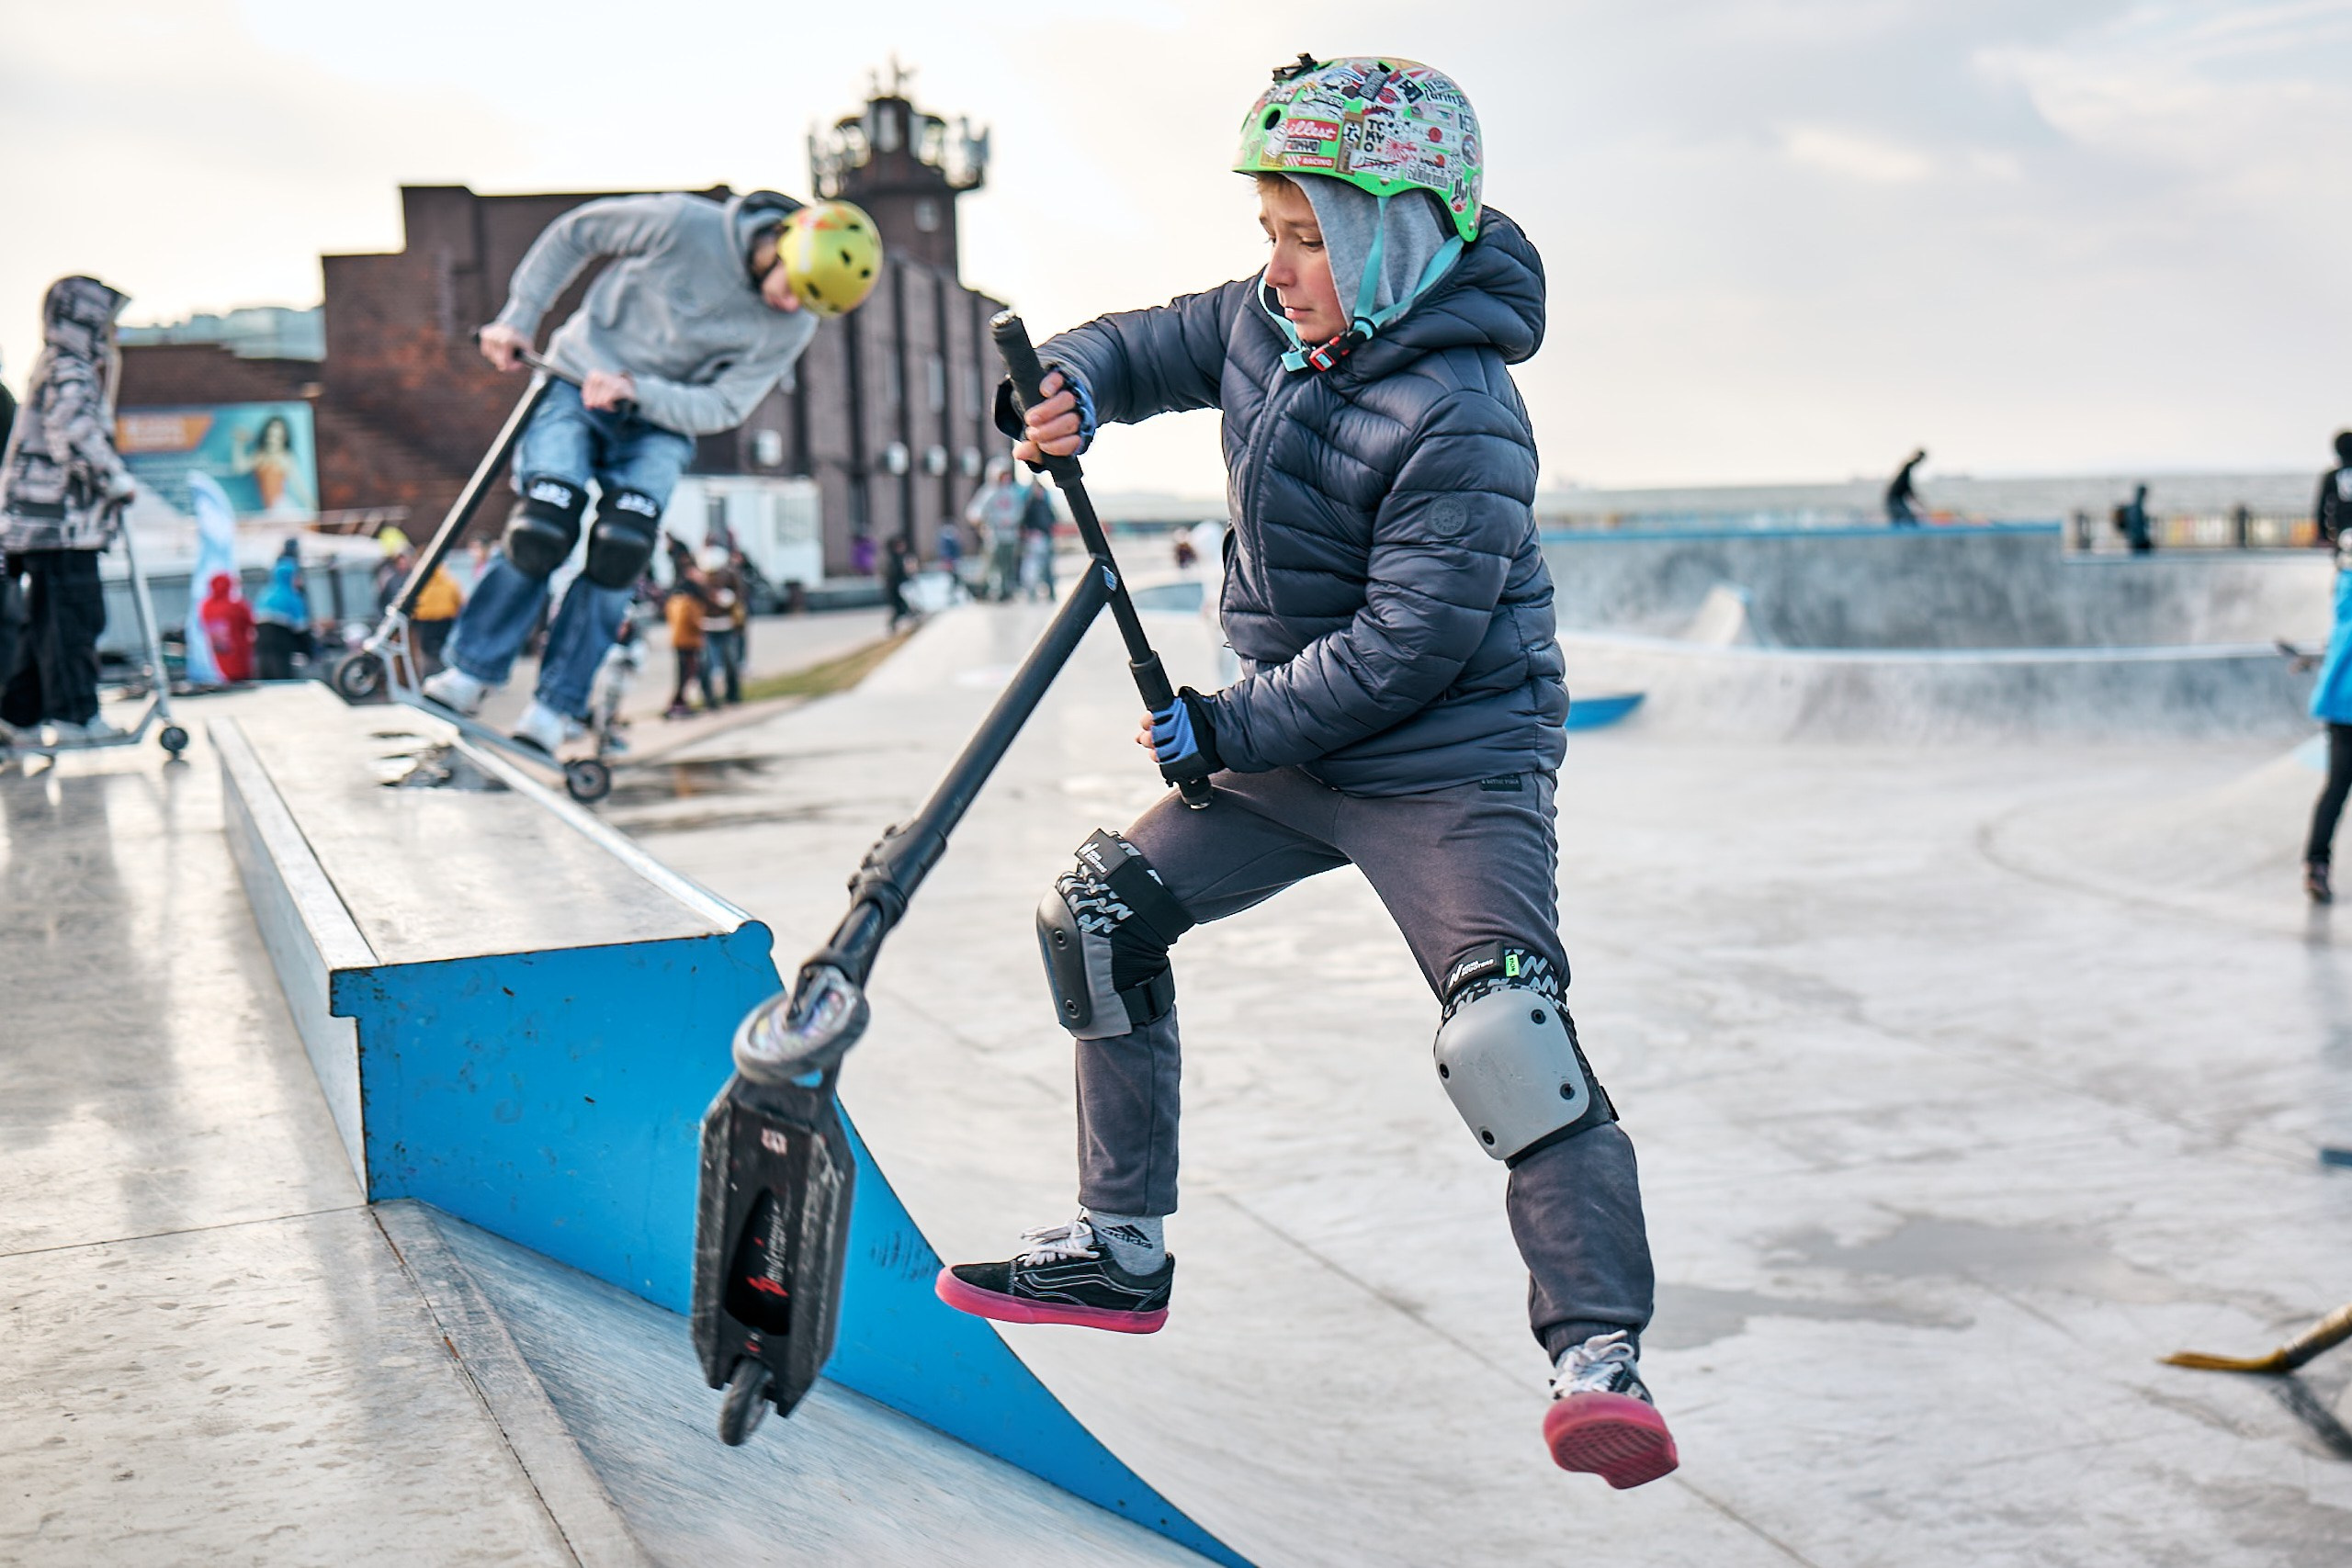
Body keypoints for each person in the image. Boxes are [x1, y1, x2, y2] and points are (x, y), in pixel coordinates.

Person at [935, 56, 1675, 1491]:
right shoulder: (1255, 322)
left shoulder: (1463, 412)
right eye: (1271, 228)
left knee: (1506, 1031)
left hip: (1447, 759)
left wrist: (1227, 725)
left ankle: (1598, 1356)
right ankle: (1120, 1244)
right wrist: (1066, 387)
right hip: (1283, 748)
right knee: (1094, 915)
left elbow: (1412, 644)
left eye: (1309, 233)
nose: (1279, 267)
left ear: (1398, 233)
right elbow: (1128, 346)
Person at [421, 190, 881, 755]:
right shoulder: (684, 225)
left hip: (659, 420)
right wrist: (520, 316)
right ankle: (470, 674)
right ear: (781, 245)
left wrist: (638, 392)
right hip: (574, 380)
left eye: (807, 306)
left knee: (622, 548)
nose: (789, 310)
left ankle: (554, 709)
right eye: (792, 290)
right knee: (544, 523)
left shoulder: (795, 323)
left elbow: (725, 406)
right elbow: (575, 234)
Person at [0, 276, 136, 742]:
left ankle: (21, 717)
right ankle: (75, 716)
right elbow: (72, 433)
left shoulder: (53, 364)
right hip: (60, 524)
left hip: (37, 523)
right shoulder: (70, 368)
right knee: (74, 618)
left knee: (44, 622)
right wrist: (115, 479)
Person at [2303, 434, 2352, 903]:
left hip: (2338, 708)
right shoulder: (2347, 595)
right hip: (2343, 708)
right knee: (2337, 787)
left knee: (2336, 788)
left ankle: (2315, 865)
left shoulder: (2342, 592)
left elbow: (2320, 513)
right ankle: (2316, 865)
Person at [967, 457, 1025, 601]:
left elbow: (1019, 511)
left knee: (1008, 565)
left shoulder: (1013, 493)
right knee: (991, 564)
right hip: (994, 535)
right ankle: (985, 589)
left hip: (1010, 534)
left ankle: (1006, 590)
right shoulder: (989, 492)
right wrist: (982, 524)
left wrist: (1011, 521)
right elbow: (975, 511)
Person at [696, 547, 744, 706]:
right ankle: (709, 698)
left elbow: (738, 597)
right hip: (706, 626)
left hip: (726, 625)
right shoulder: (700, 579)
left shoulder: (729, 576)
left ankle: (733, 695)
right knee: (706, 664)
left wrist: (726, 598)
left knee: (730, 661)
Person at [252, 555, 311, 679]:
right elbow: (301, 628)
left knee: (265, 677)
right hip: (281, 644)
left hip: (260, 644)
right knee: (282, 677)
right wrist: (310, 651)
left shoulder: (264, 594)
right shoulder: (291, 597)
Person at [663, 567, 707, 718]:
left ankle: (678, 703)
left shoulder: (675, 598)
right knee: (686, 673)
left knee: (684, 674)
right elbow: (694, 620)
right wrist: (703, 626)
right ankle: (677, 704)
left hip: (679, 639)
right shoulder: (690, 599)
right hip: (688, 640)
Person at [411, 557, 465, 675]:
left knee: (426, 652)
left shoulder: (418, 584)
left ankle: (429, 675)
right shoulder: (449, 582)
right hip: (446, 621)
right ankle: (445, 673)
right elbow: (460, 602)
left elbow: (413, 604)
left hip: (425, 622)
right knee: (445, 649)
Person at [198, 571, 254, 682]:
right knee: (241, 676)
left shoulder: (205, 606)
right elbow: (250, 621)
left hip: (219, 650)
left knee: (226, 675)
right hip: (239, 650)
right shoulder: (236, 606)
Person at [1018, 479, 1057, 601]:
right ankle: (1032, 593)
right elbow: (1024, 524)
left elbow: (1053, 520)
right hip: (1034, 541)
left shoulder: (1045, 505)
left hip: (1046, 538)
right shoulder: (1030, 506)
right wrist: (1030, 533)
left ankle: (1050, 593)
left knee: (1047, 568)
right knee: (1033, 568)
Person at [881, 534, 915, 631]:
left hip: (898, 588)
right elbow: (896, 574)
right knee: (900, 609)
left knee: (903, 608)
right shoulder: (895, 559)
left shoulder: (898, 557)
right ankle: (894, 625)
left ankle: (898, 625)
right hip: (895, 589)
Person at [1885, 449, 1926, 525]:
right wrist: (1918, 501)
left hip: (1897, 499)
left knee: (1905, 519)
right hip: (1894, 499)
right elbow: (1908, 489)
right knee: (1908, 519)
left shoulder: (1906, 471)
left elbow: (1908, 490)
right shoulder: (1906, 469)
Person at [2120, 482, 2154, 555]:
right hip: (2138, 540)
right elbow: (2134, 524)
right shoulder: (2136, 508)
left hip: (2136, 539)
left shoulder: (2135, 507)